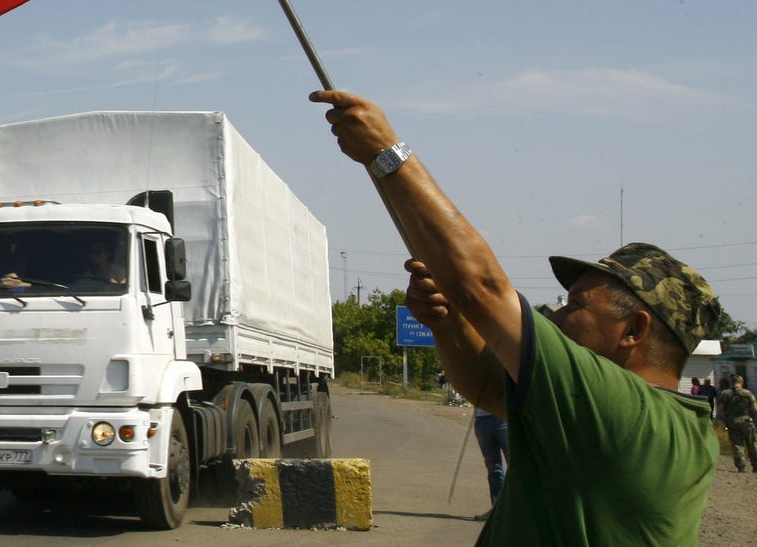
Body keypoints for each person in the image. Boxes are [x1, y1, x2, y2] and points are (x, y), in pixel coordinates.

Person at [312, 89, 721, 545]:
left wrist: (387, 153)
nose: (559, 316)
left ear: (635, 330)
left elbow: (482, 288)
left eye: (578, 305)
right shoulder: (667, 425)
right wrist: (448, 325)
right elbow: (488, 387)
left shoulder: (624, 412)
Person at [716, 374, 757, 473]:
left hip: (732, 422)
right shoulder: (747, 393)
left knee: (737, 444)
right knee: (752, 444)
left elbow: (720, 409)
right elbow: (755, 408)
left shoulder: (726, 394)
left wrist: (721, 418)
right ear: (741, 382)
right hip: (746, 421)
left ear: (732, 382)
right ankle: (755, 465)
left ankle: (741, 466)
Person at [473, 407, 510, 509]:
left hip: (503, 417)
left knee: (515, 464)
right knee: (493, 467)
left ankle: (516, 509)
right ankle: (497, 509)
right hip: (481, 419)